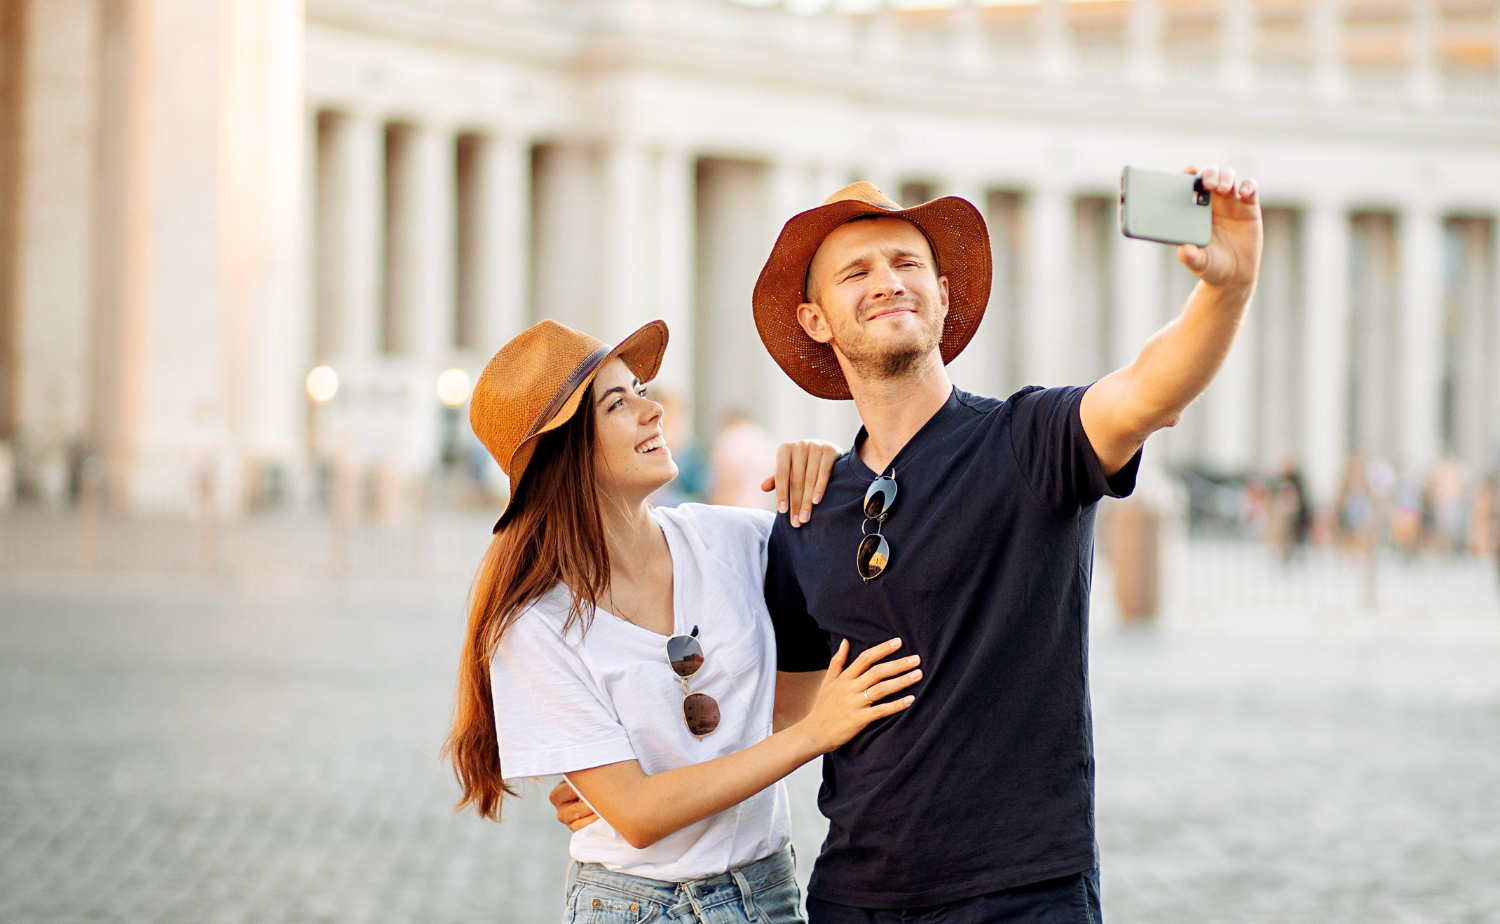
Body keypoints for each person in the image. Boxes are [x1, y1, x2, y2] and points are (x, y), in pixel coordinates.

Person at [562, 167, 1262, 921]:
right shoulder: (807, 507)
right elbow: (781, 713)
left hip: (1022, 896)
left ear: (944, 294)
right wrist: (618, 779)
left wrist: (1225, 289)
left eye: (907, 264)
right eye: (856, 272)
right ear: (815, 321)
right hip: (852, 896)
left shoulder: (1029, 442)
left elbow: (1147, 392)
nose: (887, 282)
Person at [445, 319, 925, 924]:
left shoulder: (734, 539)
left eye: (641, 389)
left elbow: (869, 566)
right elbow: (640, 816)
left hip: (768, 894)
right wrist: (814, 736)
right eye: (619, 402)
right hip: (634, 906)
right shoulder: (535, 626)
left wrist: (834, 473)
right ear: (563, 453)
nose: (654, 411)